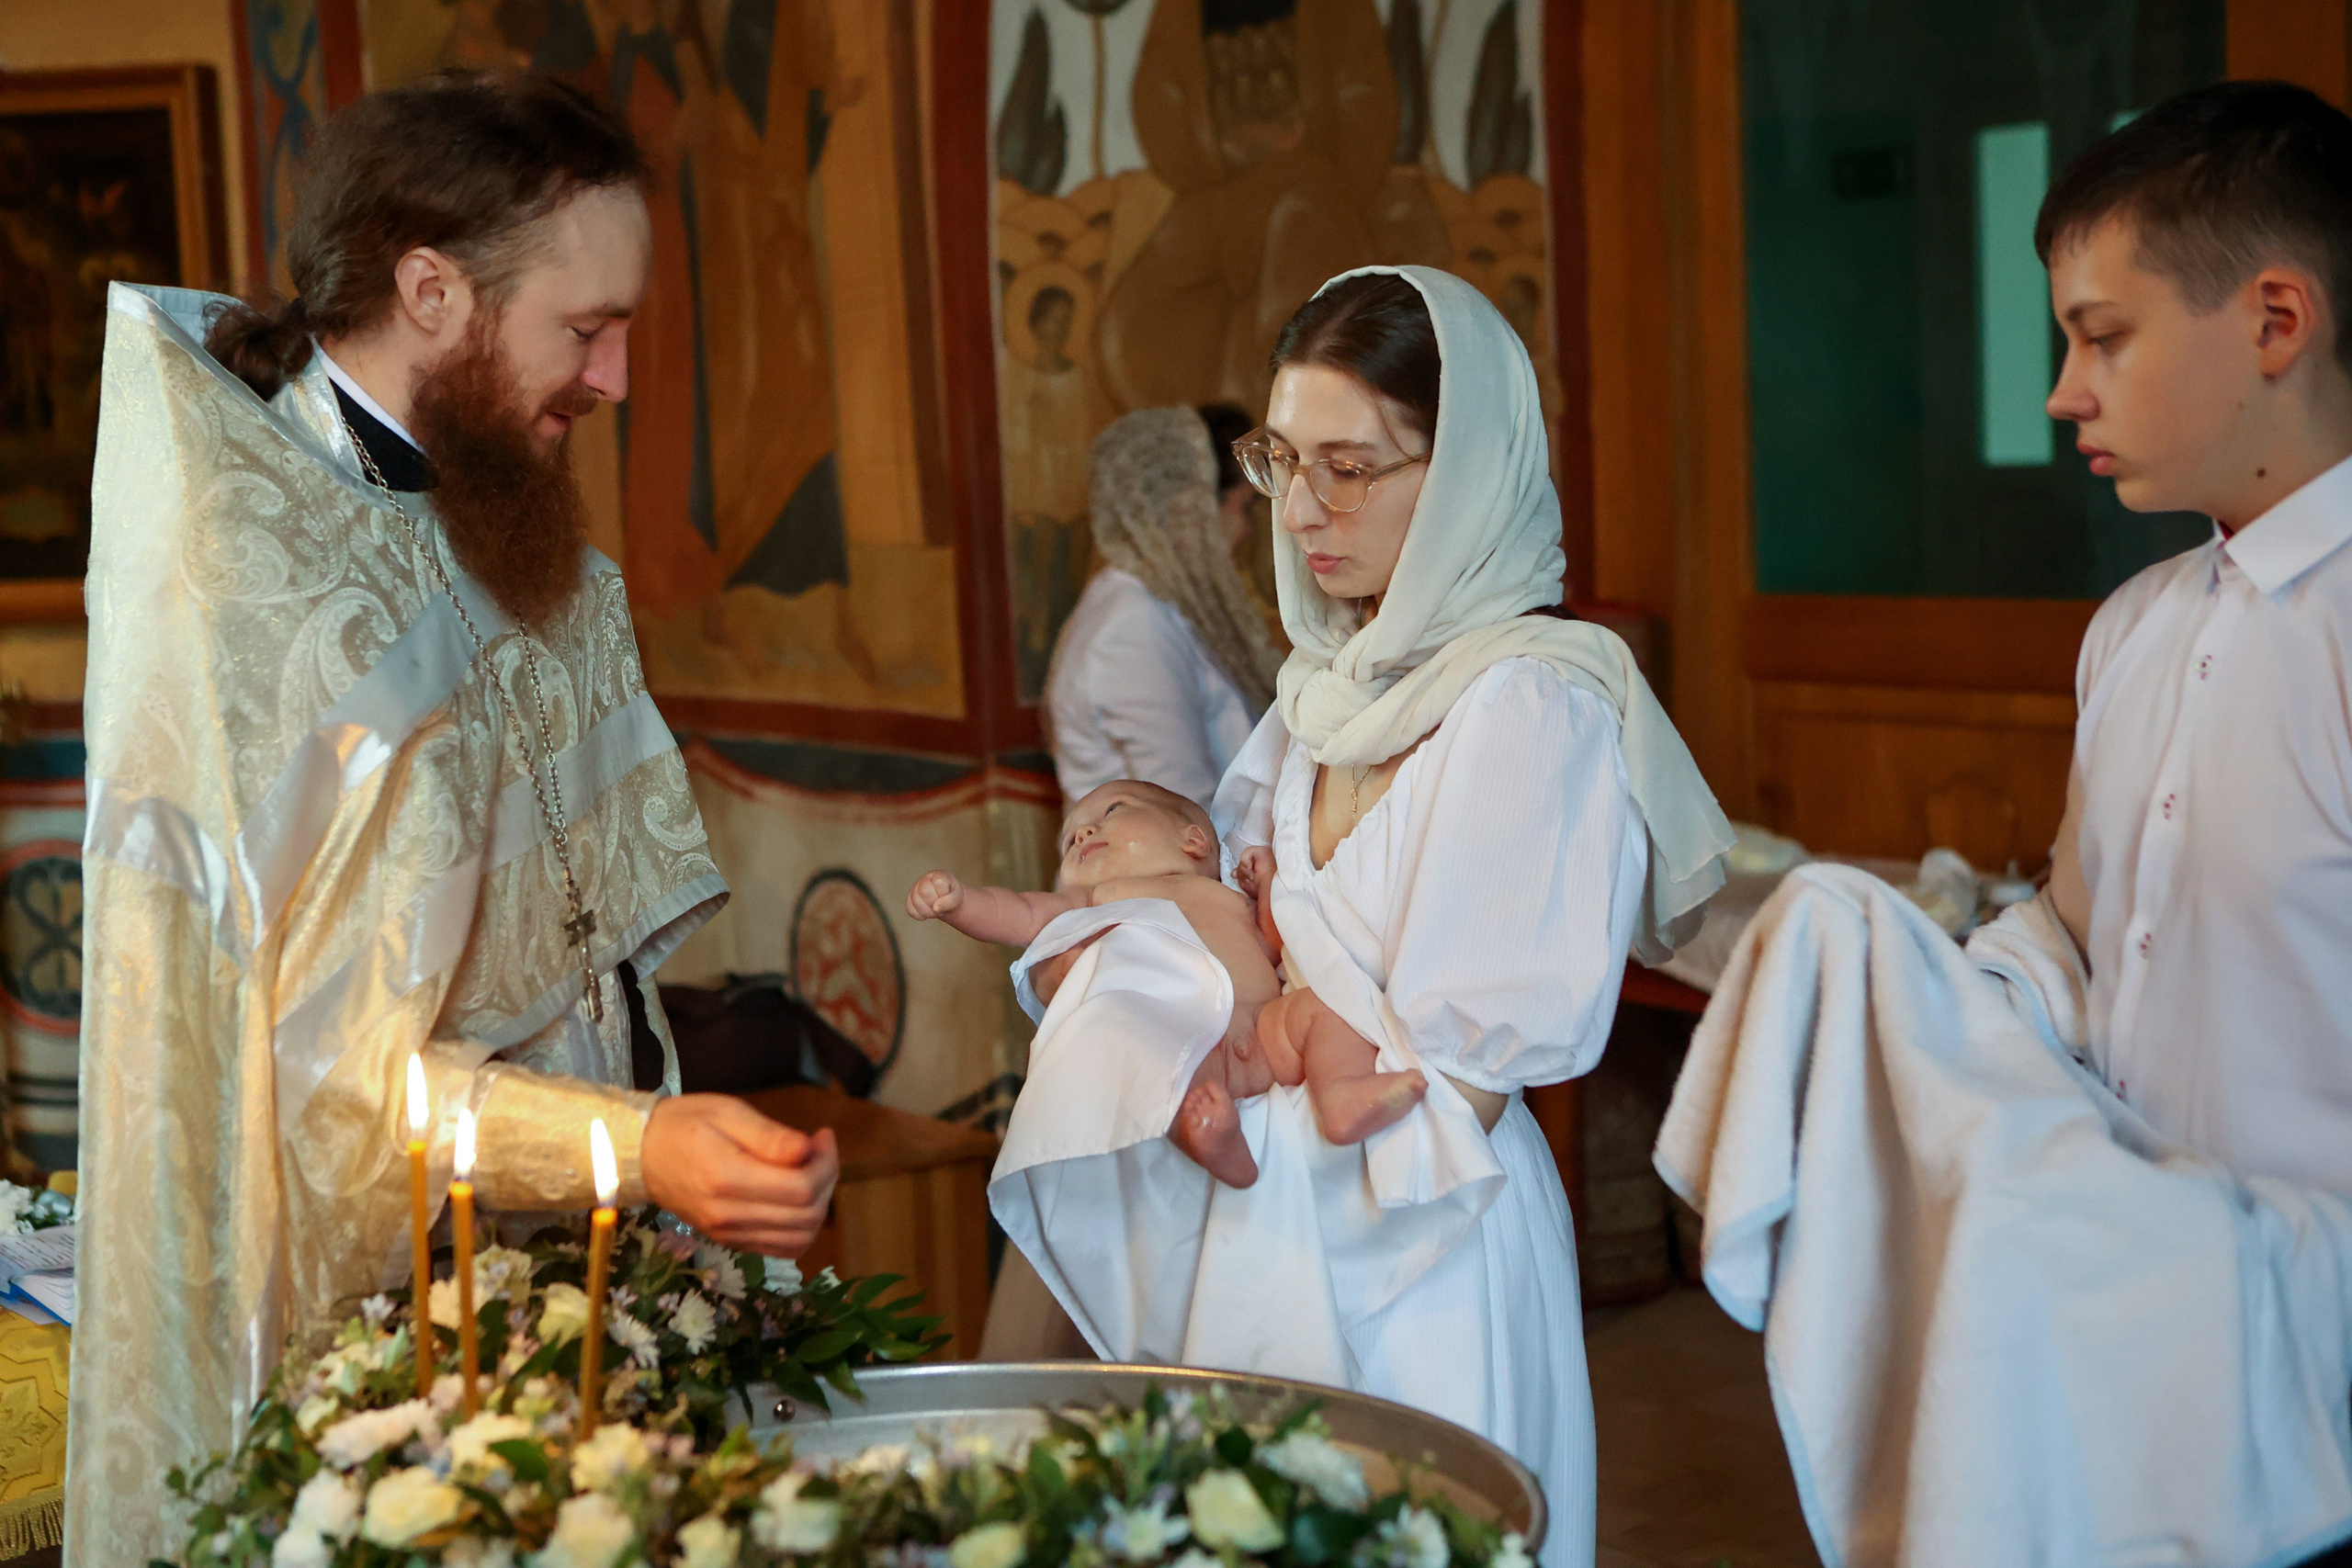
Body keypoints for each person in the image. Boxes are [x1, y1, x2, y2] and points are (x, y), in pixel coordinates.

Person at [66, 71, 839, 1567]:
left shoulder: (504, 514)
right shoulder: (266, 601)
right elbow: (327, 1099)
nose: (616, 379)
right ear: (432, 291)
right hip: (358, 1356)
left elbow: (582, 968)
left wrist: (667, 1171)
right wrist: (642, 1147)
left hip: (575, 1302)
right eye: (587, 329)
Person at [1656, 82, 2352, 1567]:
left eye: (2105, 336)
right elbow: (2081, 929)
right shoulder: (2134, 628)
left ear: (2277, 321)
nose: (2062, 391)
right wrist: (1925, 995)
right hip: (2116, 1321)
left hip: (2318, 1350)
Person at [991, 265, 1734, 1568]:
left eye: (1356, 466)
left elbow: (1467, 1074)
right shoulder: (1319, 691)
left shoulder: (1531, 707)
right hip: (1257, 1213)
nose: (1305, 509)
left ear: (1464, 474)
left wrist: (1269, 1050)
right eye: (1284, 460)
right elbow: (1250, 940)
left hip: (1416, 1240)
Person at [907, 780, 1423, 1187]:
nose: (1083, 834)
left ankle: (1342, 1094)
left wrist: (1267, 887)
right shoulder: (1098, 900)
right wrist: (961, 903)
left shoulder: (1224, 898)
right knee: (1160, 1069)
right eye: (1069, 842)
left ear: (1192, 839)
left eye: (1110, 811)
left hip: (1265, 1032)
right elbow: (1019, 913)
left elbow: (1275, 945)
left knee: (1324, 1010)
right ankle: (1213, 1143)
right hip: (1193, 1042)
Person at [1046, 405, 1283, 810]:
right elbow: (1186, 807)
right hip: (1164, 871)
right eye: (1240, 507)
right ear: (1188, 510)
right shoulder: (1133, 627)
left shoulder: (1158, 605)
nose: (1245, 531)